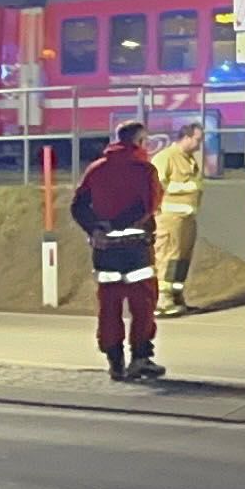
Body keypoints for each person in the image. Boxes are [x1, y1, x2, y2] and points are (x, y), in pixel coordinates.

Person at [71, 121, 167, 382]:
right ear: (138, 141)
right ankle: (140, 358)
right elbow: (148, 206)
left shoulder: (96, 169)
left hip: (105, 252)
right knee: (143, 305)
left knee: (109, 306)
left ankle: (115, 362)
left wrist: (96, 229)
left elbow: (78, 205)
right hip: (136, 251)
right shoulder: (144, 170)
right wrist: (119, 224)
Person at [151, 122, 208, 316]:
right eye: (197, 140)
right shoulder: (166, 158)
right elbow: (156, 186)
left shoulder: (189, 159)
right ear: (186, 137)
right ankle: (162, 300)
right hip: (170, 219)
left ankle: (176, 297)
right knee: (168, 257)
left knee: (182, 259)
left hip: (186, 219)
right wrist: (187, 188)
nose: (200, 144)